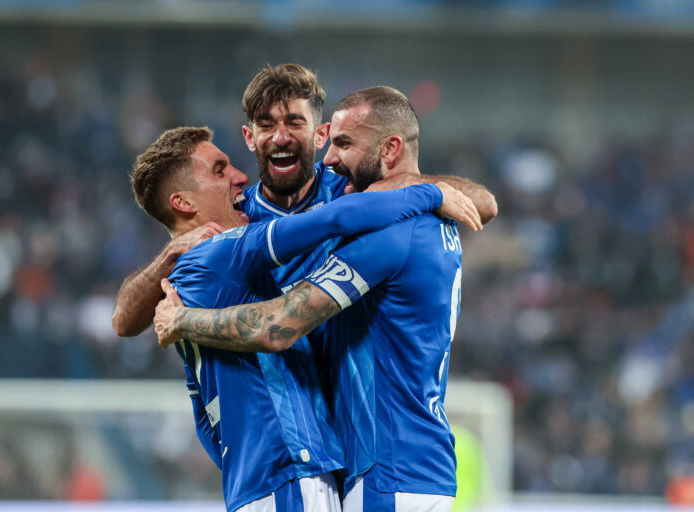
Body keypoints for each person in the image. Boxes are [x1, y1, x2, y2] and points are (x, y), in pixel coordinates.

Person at [154, 87, 476, 511]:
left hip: (389, 467)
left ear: (390, 148)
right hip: (412, 460)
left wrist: (181, 320)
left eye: (344, 144)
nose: (330, 160)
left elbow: (277, 325)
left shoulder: (387, 236)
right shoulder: (433, 225)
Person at [112, 63, 496, 337]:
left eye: (294, 122)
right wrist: (167, 257)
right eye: (266, 125)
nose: (280, 137)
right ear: (249, 138)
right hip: (287, 404)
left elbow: (484, 205)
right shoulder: (235, 217)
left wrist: (423, 185)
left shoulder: (356, 190)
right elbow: (124, 323)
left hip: (347, 408)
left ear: (320, 134)